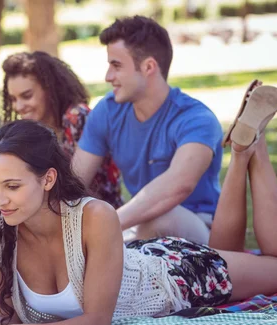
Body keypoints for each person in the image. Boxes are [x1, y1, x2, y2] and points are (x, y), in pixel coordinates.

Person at [0, 83, 277, 325]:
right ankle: (242, 148)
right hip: (139, 257)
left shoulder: (94, 216)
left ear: (47, 178)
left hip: (175, 275)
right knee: (232, 248)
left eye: (12, 186)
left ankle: (248, 151)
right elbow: (4, 319)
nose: (0, 199)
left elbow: (96, 323)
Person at [0, 51, 123, 271]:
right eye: (13, 99)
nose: (18, 106)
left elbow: (74, 186)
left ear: (50, 89)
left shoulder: (77, 117)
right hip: (37, 214)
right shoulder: (27, 132)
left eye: (26, 96)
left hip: (87, 217)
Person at [72, 16, 223, 244]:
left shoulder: (195, 119)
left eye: (116, 65)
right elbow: (75, 180)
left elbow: (177, 186)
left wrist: (109, 223)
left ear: (148, 67)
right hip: (139, 225)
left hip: (200, 229)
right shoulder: (108, 110)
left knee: (160, 219)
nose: (108, 77)